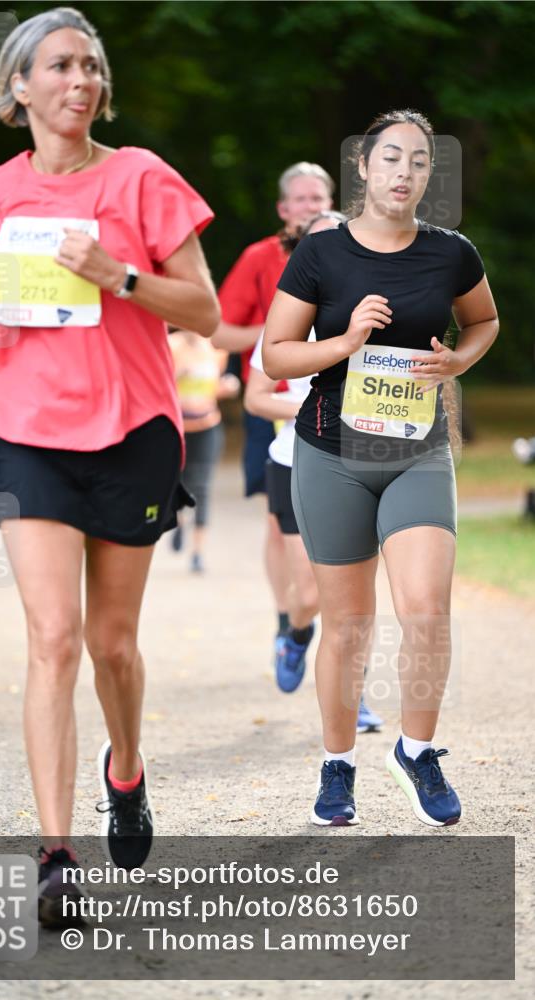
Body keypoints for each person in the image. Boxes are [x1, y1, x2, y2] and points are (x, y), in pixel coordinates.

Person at [0, 6, 219, 924]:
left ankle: (124, 772)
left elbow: (205, 312)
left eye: (90, 67)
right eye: (59, 66)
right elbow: (9, 323)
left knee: (110, 644)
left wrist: (119, 275)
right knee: (52, 637)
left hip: (132, 430)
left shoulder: (143, 180)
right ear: (20, 86)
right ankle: (56, 854)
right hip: (27, 431)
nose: (80, 82)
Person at [263, 109, 498, 828]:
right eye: (390, 158)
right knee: (348, 627)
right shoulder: (320, 254)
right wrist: (344, 339)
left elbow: (483, 321)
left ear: (429, 175)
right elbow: (276, 354)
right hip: (332, 453)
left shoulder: (450, 253)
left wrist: (456, 360)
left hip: (416, 452)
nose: (404, 172)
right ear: (362, 168)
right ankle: (337, 767)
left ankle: (416, 749)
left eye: (418, 162)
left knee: (425, 610)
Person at [246, 211, 384, 734]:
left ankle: (357, 695)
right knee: (307, 596)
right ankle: (297, 636)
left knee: (355, 597)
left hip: (364, 465)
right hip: (296, 462)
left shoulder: (379, 316)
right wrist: (320, 412)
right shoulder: (285, 324)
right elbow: (258, 398)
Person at [213, 162, 334, 664]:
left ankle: (316, 613)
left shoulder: (348, 252)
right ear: (285, 209)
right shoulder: (259, 257)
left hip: (334, 400)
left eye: (319, 198)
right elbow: (218, 333)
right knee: (275, 522)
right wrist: (279, 332)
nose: (311, 207)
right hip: (271, 397)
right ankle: (287, 617)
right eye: (301, 201)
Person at [168, 329, 240, 573]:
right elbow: (157, 380)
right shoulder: (170, 345)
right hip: (176, 426)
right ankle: (178, 521)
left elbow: (219, 383)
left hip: (208, 425)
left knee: (203, 487)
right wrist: (179, 374)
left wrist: (227, 386)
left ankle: (198, 553)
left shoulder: (217, 348)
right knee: (175, 482)